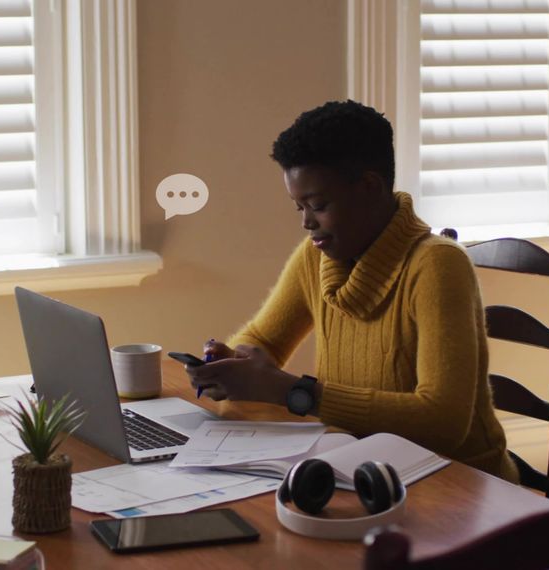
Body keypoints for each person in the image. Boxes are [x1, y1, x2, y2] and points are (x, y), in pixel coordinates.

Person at [186, 100, 518, 482]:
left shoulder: (437, 266)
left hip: (459, 482)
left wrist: (295, 392)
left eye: (319, 205)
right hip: (361, 468)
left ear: (370, 188)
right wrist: (235, 364)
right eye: (299, 208)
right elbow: (263, 338)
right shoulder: (317, 258)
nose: (307, 223)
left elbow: (443, 421)